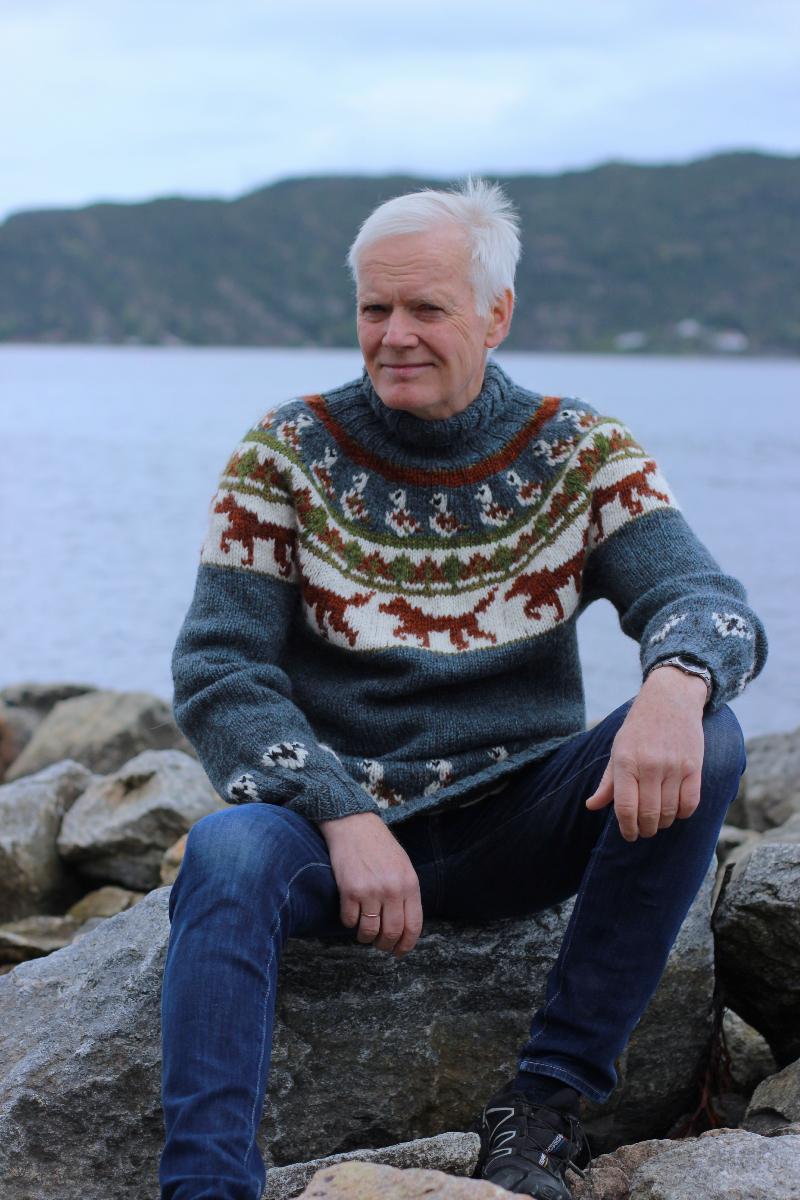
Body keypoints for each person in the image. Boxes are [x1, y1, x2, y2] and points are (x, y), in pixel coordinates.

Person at [159, 179, 766, 1200]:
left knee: (707, 737)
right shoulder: (285, 452)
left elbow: (706, 602)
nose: (393, 335)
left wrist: (674, 683)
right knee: (225, 850)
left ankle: (542, 1110)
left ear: (495, 314)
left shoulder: (580, 451)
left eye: (426, 308)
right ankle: (206, 1187)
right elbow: (219, 670)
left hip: (518, 819)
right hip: (329, 838)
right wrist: (339, 811)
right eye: (374, 308)